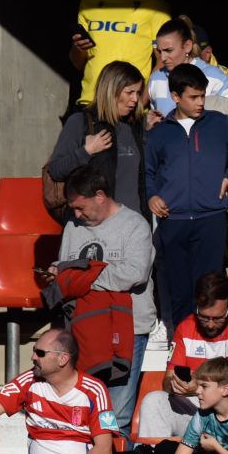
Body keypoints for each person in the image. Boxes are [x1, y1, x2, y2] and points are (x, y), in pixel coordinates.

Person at [142, 63, 228, 330]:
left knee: (210, 287)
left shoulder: (218, 123)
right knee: (178, 288)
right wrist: (152, 197)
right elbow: (149, 172)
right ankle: (182, 344)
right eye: (193, 97)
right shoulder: (160, 133)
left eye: (202, 96)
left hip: (211, 218)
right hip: (173, 220)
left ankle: (213, 343)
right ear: (175, 96)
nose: (200, 103)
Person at [58, 165, 154, 436]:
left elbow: (133, 275)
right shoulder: (73, 226)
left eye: (81, 207)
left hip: (127, 327)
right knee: (84, 408)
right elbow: (65, 272)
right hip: (84, 328)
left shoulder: (135, 225)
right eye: (73, 209)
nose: (76, 215)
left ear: (100, 196)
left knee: (116, 414)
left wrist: (84, 277)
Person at [0, 329, 113, 454]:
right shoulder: (29, 381)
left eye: (40, 353)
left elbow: (104, 449)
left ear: (63, 359)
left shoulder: (94, 390)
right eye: (34, 350)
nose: (33, 357)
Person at [136, 273, 228, 442]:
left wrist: (201, 388)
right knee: (153, 401)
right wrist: (178, 386)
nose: (210, 324)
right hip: (192, 408)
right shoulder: (185, 328)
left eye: (217, 318)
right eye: (203, 316)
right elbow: (167, 382)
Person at [46, 59, 147, 214]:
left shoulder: (135, 126)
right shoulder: (81, 122)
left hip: (132, 224)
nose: (135, 99)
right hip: (93, 225)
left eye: (138, 93)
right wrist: (86, 151)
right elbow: (56, 170)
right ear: (111, 90)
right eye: (129, 92)